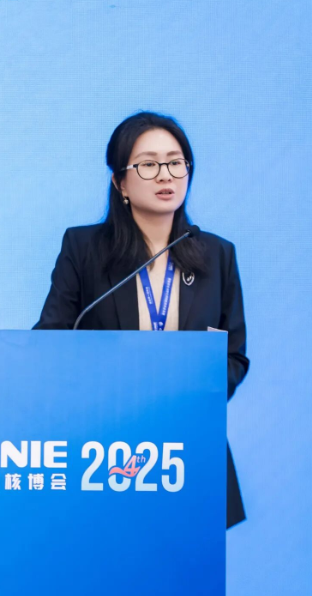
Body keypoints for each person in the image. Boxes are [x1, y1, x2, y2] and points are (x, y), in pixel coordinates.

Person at [33, 111, 250, 528]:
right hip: (104, 448)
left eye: (176, 162)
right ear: (120, 182)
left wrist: (192, 391)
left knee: (186, 566)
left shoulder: (216, 255)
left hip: (189, 446)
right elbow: (51, 341)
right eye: (148, 164)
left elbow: (234, 357)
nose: (165, 175)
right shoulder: (84, 249)